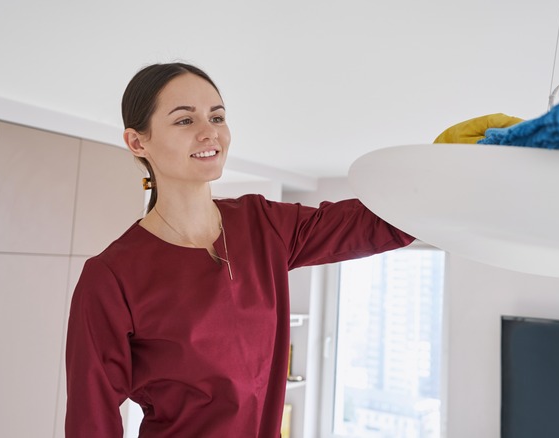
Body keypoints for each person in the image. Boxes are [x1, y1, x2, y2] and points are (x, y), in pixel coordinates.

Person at [64, 62, 416, 437]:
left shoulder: (262, 224)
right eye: (184, 121)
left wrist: (458, 166)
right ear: (138, 142)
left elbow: (377, 225)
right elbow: (92, 420)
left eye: (217, 117)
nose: (208, 133)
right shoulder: (111, 277)